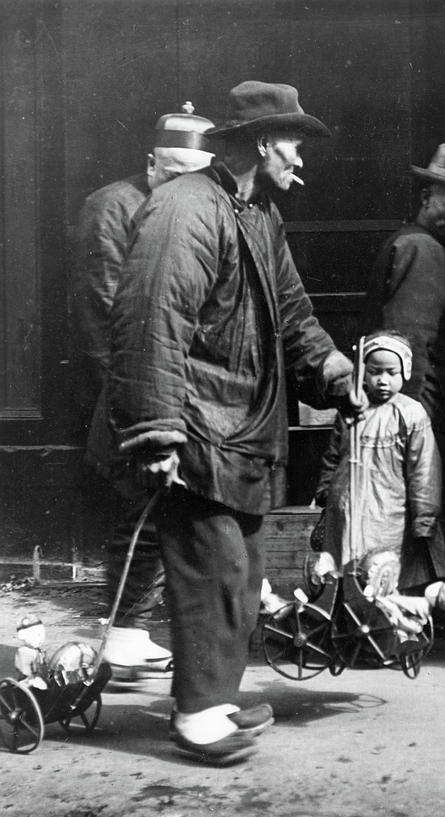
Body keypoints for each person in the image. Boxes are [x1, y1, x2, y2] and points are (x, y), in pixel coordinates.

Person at [107, 80, 362, 764]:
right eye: (294, 144)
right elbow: (151, 319)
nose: (300, 159)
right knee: (212, 567)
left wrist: (333, 374)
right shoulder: (184, 209)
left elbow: (293, 312)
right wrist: (159, 429)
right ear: (260, 142)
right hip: (195, 423)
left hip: (240, 427)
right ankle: (196, 715)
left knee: (240, 568)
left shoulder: (253, 212)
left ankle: (214, 695)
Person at [73, 104, 216, 679]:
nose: (181, 184)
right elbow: (103, 309)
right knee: (144, 507)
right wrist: (136, 398)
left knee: (166, 509)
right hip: (133, 385)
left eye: (193, 175)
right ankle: (123, 630)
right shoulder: (112, 207)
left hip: (181, 383)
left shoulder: (194, 206)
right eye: (171, 170)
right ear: (150, 161)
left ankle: (132, 627)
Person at [361, 143, 445, 554]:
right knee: (419, 533)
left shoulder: (407, 242)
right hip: (421, 418)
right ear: (426, 196)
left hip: (403, 416)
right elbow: (408, 347)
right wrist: (411, 430)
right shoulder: (425, 251)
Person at [315, 331, 445, 592]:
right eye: (375, 372)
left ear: (405, 373)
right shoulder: (351, 411)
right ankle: (347, 620)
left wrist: (424, 519)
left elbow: (424, 471)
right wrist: (325, 491)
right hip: (346, 510)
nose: (383, 381)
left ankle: (386, 625)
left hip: (389, 514)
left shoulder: (410, 414)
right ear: (363, 372)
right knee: (344, 572)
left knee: (382, 573)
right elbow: (333, 456)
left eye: (391, 373)